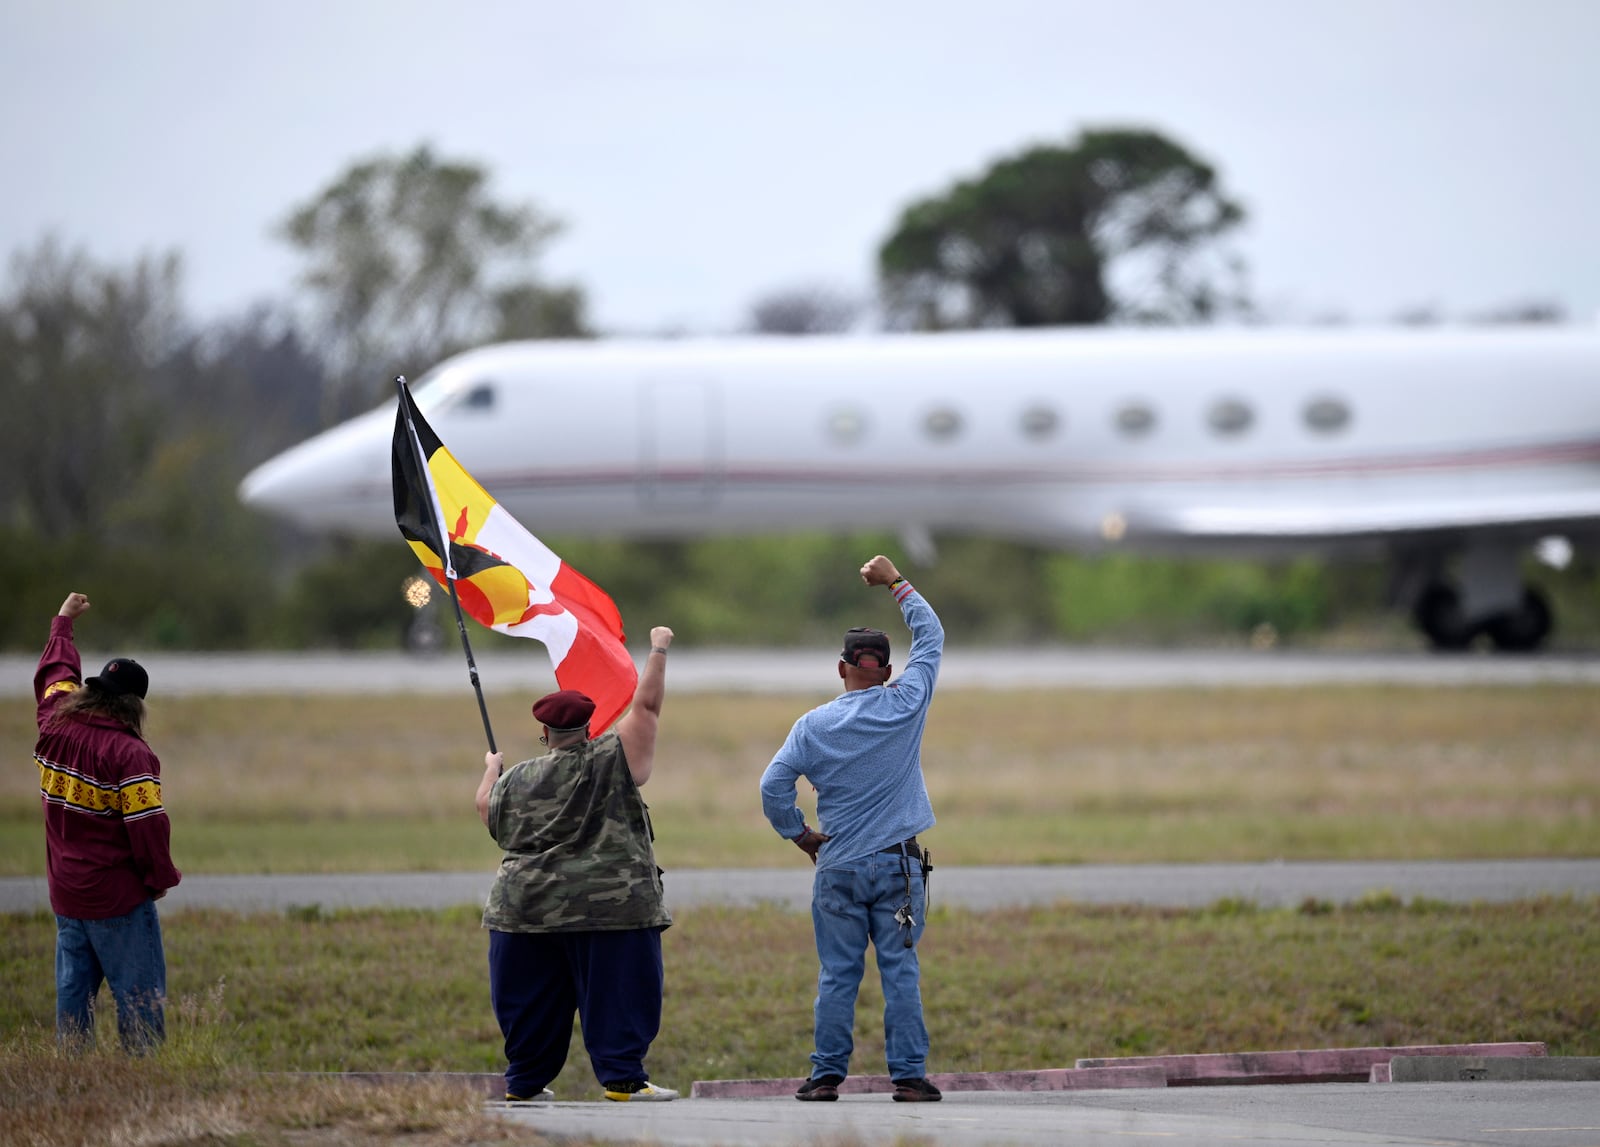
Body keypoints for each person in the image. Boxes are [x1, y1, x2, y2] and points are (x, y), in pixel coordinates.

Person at [760, 555, 945, 1103]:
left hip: (837, 865)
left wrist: (799, 834)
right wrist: (896, 582)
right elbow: (931, 636)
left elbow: (773, 786)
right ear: (887, 672)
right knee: (900, 972)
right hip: (899, 867)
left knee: (838, 975)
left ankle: (825, 1078)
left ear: (842, 668)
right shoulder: (907, 702)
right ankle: (909, 1077)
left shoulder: (812, 726)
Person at [474, 626, 679, 1104]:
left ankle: (523, 1085)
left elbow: (487, 809)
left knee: (530, 1003)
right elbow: (645, 707)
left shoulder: (516, 778)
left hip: (523, 911)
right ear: (590, 727)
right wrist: (658, 648)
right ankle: (623, 1080)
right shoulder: (613, 756)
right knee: (619, 994)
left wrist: (491, 767)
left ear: (544, 733)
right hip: (611, 910)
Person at [33, 591, 182, 1053]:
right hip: (117, 897)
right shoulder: (131, 755)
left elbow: (55, 677)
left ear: (93, 690)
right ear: (134, 705)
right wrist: (158, 878)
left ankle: (74, 1072)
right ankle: (142, 1077)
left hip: (66, 892)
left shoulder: (53, 723)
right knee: (139, 1000)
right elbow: (147, 827)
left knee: (73, 997)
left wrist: (63, 623)